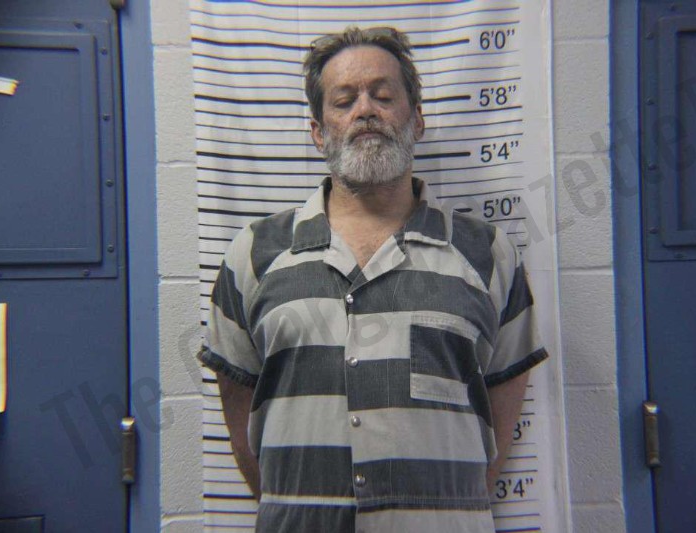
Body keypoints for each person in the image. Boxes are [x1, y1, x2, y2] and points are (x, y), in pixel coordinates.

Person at [198, 26, 548, 533]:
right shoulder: (252, 255)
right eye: (344, 101)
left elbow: (495, 428)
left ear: (417, 119)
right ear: (318, 132)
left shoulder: (489, 255)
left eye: (383, 96)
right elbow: (245, 433)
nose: (365, 110)